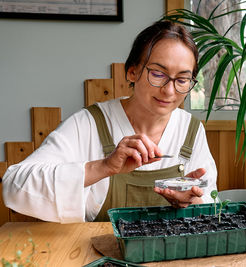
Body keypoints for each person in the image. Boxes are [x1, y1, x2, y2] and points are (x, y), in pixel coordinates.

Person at [2, 21, 218, 223]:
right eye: (157, 74)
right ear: (132, 72)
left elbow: (211, 207)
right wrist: (103, 167)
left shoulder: (191, 130)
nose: (169, 91)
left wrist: (192, 202)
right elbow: (13, 187)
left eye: (182, 80)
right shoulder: (89, 124)